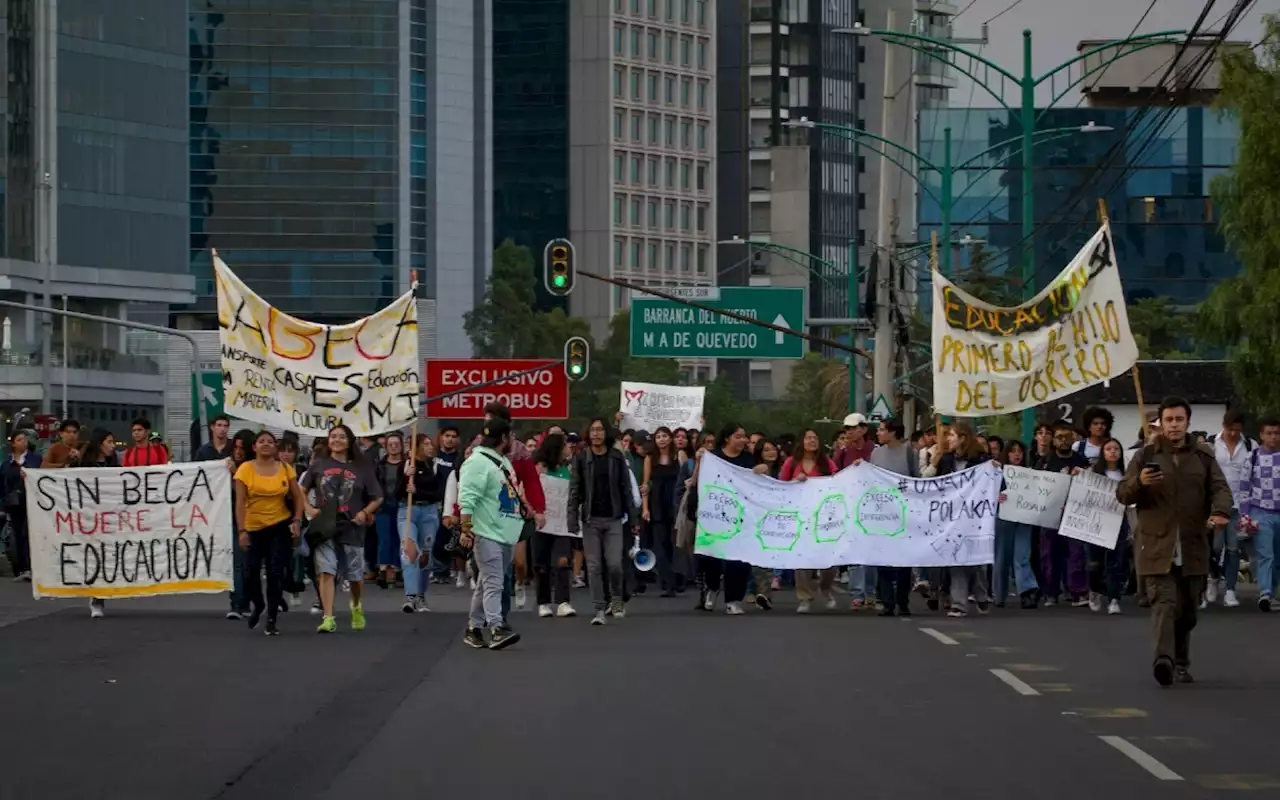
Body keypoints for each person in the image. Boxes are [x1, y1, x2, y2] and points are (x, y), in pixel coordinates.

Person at [1118, 397, 1232, 686]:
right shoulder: (1145, 456)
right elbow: (1122, 494)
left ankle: (1181, 660)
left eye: (1179, 419)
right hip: (1157, 546)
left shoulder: (1203, 456)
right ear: (1160, 423)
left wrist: (1219, 512)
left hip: (1193, 544)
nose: (1174, 425)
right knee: (1165, 605)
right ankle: (1163, 661)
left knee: (1188, 612)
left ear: (1187, 423)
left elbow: (1220, 489)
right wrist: (1139, 483)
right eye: (1168, 420)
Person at [301, 424, 383, 634]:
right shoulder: (318, 464)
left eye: (341, 437)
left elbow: (378, 496)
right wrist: (309, 508)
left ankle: (356, 605)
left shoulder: (362, 467)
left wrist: (365, 512)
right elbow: (301, 489)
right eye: (333, 437)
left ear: (349, 441)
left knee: (355, 575)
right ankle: (328, 617)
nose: (337, 440)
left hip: (351, 525)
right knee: (326, 570)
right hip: (325, 524)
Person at [460, 418, 526, 650]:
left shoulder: (502, 462)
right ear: (504, 438)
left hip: (505, 531)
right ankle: (496, 628)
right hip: (486, 532)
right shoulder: (477, 462)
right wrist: (466, 529)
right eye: (512, 437)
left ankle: (474, 628)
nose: (514, 441)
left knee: (486, 583)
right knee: (494, 582)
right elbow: (467, 498)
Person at [568, 417, 640, 625]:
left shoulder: (617, 457)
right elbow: (575, 490)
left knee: (615, 564)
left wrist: (633, 518)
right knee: (594, 566)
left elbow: (626, 489)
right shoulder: (581, 458)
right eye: (593, 430)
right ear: (588, 434)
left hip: (614, 518)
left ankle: (616, 599)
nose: (596, 434)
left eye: (600, 430)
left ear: (605, 433)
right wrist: (571, 517)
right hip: (591, 519)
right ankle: (599, 609)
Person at [233, 431, 304, 636]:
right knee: (250, 574)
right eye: (261, 442)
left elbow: (298, 497)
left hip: (278, 526)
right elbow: (239, 504)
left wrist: (297, 520)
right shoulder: (245, 469)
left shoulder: (284, 468)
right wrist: (241, 530)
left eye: (270, 442)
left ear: (276, 447)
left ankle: (272, 619)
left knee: (275, 572)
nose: (266, 445)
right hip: (253, 527)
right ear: (254, 447)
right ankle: (259, 604)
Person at [689, 423, 755, 615]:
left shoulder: (748, 459)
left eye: (744, 436)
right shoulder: (714, 457)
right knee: (712, 557)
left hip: (741, 516)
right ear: (727, 438)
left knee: (740, 559)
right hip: (716, 515)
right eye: (738, 436)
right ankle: (712, 587)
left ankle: (733, 599)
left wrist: (760, 471)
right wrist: (700, 462)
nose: (742, 440)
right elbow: (696, 482)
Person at [931, 421, 992, 618]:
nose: (948, 439)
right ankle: (959, 604)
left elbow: (996, 484)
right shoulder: (946, 460)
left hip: (975, 518)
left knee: (974, 562)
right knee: (955, 559)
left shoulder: (982, 460)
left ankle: (981, 595)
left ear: (963, 438)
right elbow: (935, 485)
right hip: (951, 518)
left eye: (952, 435)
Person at [780, 429, 838, 613]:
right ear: (801, 441)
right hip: (800, 517)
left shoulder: (826, 463)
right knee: (801, 559)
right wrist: (795, 482)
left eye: (815, 437)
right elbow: (780, 487)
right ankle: (804, 597)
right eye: (808, 438)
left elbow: (839, 483)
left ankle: (825, 588)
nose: (812, 441)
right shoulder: (792, 463)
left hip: (824, 517)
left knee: (830, 560)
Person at [1036, 419, 1091, 607]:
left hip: (1074, 513)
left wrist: (1084, 473)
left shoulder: (1080, 459)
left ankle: (1077, 592)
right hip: (1050, 515)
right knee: (1049, 555)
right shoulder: (1044, 461)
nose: (1063, 441)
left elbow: (1091, 483)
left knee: (1076, 553)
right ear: (1053, 440)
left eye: (1067, 437)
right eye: (1059, 437)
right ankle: (1051, 593)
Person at [869, 418, 919, 617]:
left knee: (904, 560)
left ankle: (903, 600)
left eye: (882, 430)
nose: (879, 433)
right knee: (883, 559)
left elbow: (916, 480)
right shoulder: (876, 453)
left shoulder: (909, 453)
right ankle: (887, 601)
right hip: (881, 514)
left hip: (903, 513)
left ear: (893, 432)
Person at [1208, 408, 1252, 608]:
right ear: (1222, 426)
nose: (1232, 433)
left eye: (1236, 430)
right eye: (1229, 429)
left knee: (1234, 549)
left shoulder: (1250, 446)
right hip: (1215, 504)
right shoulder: (1211, 445)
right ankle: (1213, 577)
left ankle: (1231, 590)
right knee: (1215, 547)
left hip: (1239, 505)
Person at [1237, 416, 1280, 612]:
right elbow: (1244, 488)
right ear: (1262, 435)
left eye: (1277, 433)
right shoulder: (1252, 457)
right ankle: (1265, 593)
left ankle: (1274, 590)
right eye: (1269, 433)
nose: (1273, 437)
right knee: (1266, 555)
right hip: (1261, 512)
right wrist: (1245, 514)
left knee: (1278, 556)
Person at [532, 432, 577, 617]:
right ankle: (543, 602)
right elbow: (530, 492)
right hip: (542, 523)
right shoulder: (539, 468)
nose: (569, 448)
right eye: (565, 444)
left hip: (562, 524)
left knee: (563, 561)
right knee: (541, 563)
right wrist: (535, 513)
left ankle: (563, 601)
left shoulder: (569, 469)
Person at [994, 440, 1040, 609]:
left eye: (1020, 451)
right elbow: (986, 493)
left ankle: (1027, 591)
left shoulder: (1030, 474)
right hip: (1003, 517)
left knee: (1022, 555)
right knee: (1001, 557)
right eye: (1013, 451)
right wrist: (996, 497)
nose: (1017, 454)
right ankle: (999, 594)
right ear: (1007, 454)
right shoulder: (997, 473)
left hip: (1024, 518)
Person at [1087, 439, 1131, 615]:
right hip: (1095, 522)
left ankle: (1114, 599)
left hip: (1118, 522)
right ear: (1103, 453)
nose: (1112, 452)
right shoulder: (1094, 473)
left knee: (1116, 562)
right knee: (1094, 562)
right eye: (1108, 449)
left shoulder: (1126, 475)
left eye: (1116, 449)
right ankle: (1095, 591)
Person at [399, 434, 442, 613]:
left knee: (425, 555)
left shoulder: (434, 465)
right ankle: (410, 596)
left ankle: (421, 594)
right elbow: (396, 492)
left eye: (430, 444)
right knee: (409, 552)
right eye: (425, 444)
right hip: (408, 511)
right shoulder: (407, 464)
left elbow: (438, 492)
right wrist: (405, 479)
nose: (429, 447)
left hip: (429, 512)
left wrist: (419, 491)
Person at [78, 429, 119, 618]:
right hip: (90, 519)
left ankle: (100, 596)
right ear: (100, 444)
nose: (112, 446)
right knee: (96, 559)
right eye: (109, 442)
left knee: (107, 559)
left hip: (110, 518)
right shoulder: (83, 465)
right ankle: (96, 600)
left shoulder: (114, 464)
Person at [643, 426, 684, 598]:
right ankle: (668, 582)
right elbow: (645, 485)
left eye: (665, 436)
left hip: (675, 504)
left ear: (671, 438)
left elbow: (685, 479)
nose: (662, 439)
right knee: (661, 544)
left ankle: (679, 578)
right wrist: (645, 508)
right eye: (658, 436)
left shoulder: (679, 456)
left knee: (677, 544)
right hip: (657, 504)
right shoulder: (650, 458)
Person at [3, 430, 42, 582]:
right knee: (18, 534)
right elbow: (4, 482)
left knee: (30, 533)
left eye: (24, 440)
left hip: (32, 501)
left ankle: (32, 567)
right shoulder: (7, 463)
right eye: (19, 440)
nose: (23, 442)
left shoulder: (35, 459)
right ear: (13, 443)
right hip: (14, 503)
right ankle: (22, 567)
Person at [373, 432, 406, 589]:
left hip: (402, 505)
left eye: (396, 444)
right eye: (390, 444)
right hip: (383, 506)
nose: (393, 447)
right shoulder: (380, 466)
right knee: (384, 539)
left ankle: (399, 569)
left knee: (400, 539)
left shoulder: (408, 465)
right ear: (385, 447)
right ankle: (384, 570)